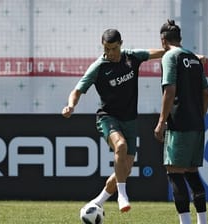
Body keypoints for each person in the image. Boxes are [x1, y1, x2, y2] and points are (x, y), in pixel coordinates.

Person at [62, 28, 167, 212]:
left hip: (130, 121)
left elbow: (157, 53)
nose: (110, 53)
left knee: (124, 170)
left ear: (121, 44)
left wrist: (187, 55)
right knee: (120, 146)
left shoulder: (131, 58)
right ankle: (122, 195)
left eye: (114, 48)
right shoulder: (99, 67)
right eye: (106, 48)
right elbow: (77, 90)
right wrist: (71, 105)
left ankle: (97, 202)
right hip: (108, 118)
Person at [154, 20, 208, 224]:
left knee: (175, 171)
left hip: (179, 123)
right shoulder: (194, 58)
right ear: (180, 38)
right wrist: (199, 115)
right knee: (192, 172)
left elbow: (169, 90)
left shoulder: (170, 56)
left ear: (163, 40)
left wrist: (161, 121)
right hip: (197, 123)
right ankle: (202, 221)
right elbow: (206, 94)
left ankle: (185, 222)